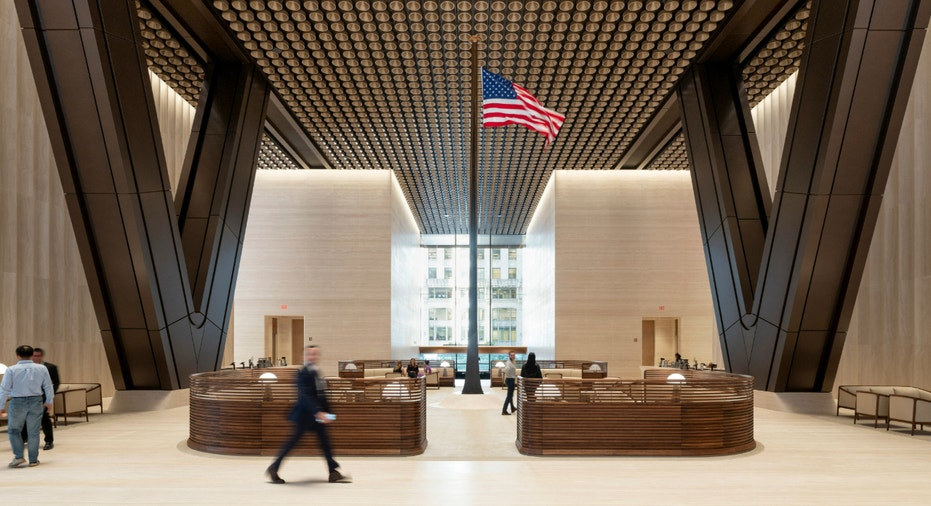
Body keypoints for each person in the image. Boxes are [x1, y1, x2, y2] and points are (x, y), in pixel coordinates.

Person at [266, 345, 350, 485]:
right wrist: (318, 412)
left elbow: (321, 394)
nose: (312, 357)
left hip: (317, 417)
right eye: (309, 354)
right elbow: (305, 396)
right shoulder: (303, 373)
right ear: (304, 357)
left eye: (314, 354)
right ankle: (274, 467)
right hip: (305, 416)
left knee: (325, 443)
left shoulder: (316, 372)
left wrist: (328, 413)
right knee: (292, 443)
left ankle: (333, 472)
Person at [0, 345, 54, 468]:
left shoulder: (11, 370)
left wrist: (1, 406)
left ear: (17, 355)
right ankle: (33, 459)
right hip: (36, 401)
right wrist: (49, 401)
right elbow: (48, 386)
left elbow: (4, 389)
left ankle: (19, 457)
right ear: (31, 355)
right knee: (33, 432)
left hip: (17, 402)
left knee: (14, 430)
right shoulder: (42, 368)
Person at [20, 347, 59, 450]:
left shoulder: (50, 367)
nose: (35, 358)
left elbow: (55, 383)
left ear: (41, 356)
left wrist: (49, 398)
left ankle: (49, 441)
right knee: (25, 418)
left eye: (37, 356)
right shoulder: (25, 368)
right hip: (28, 397)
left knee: (44, 419)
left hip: (43, 397)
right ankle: (24, 438)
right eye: (33, 356)